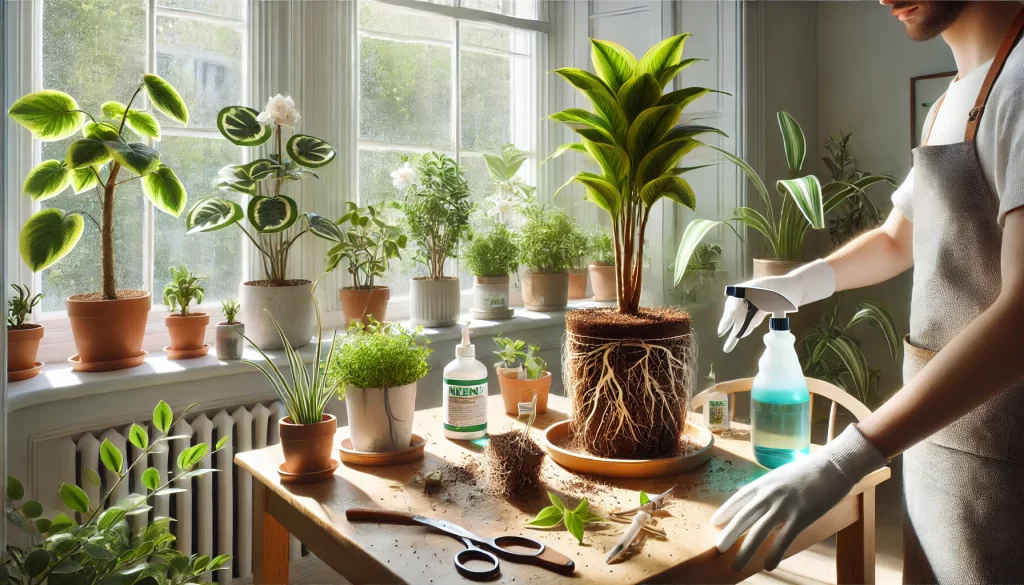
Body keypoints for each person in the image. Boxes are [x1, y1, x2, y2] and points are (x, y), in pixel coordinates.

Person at [711, 1, 1024, 582]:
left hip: (1004, 459)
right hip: (936, 441)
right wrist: (790, 286)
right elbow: (896, 239)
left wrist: (847, 456)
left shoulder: (1021, 83)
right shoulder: (957, 96)